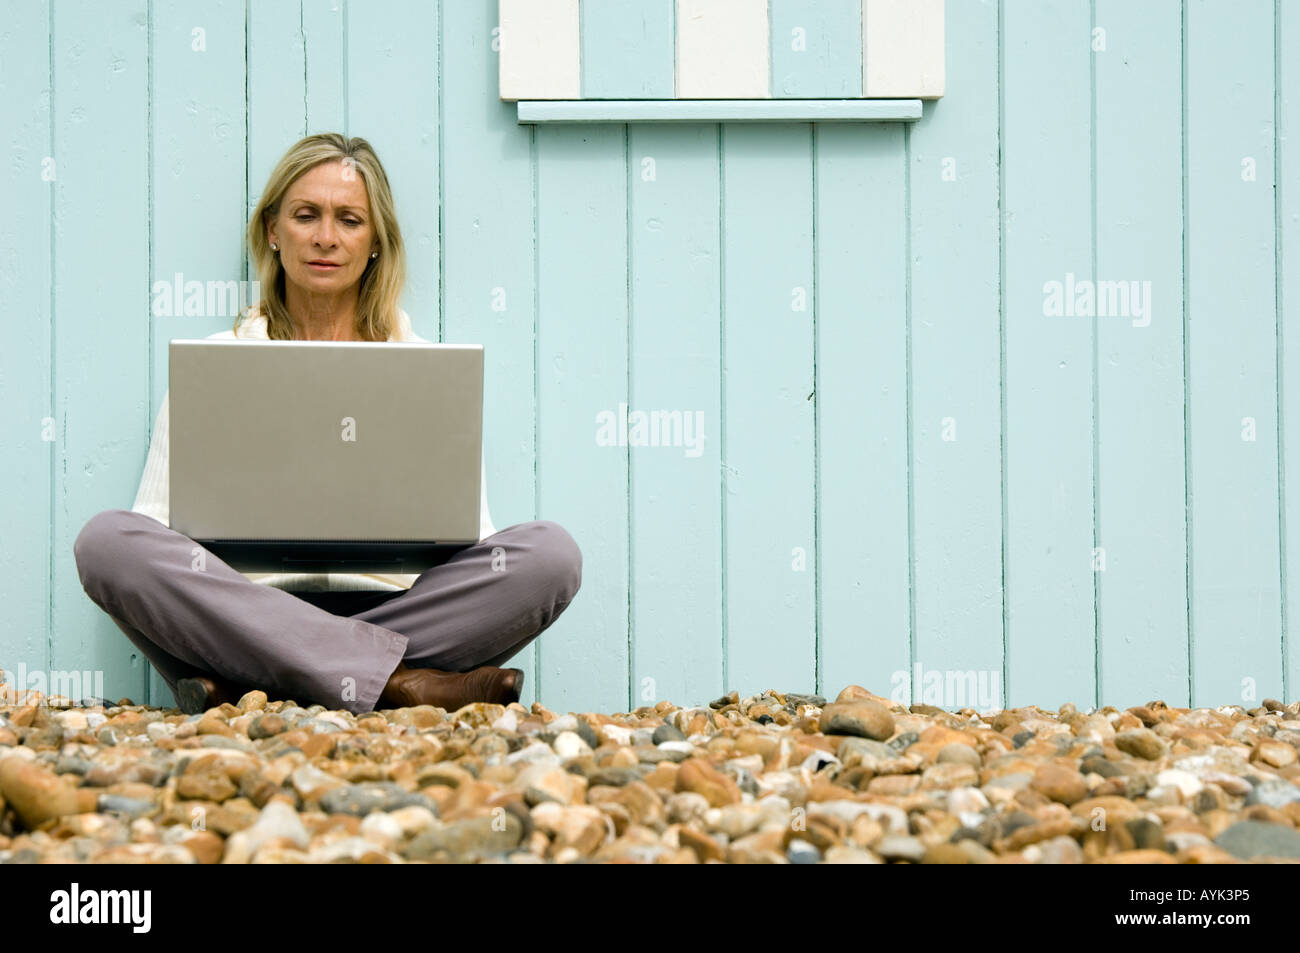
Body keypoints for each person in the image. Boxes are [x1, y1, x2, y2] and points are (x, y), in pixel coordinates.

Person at [73, 133, 582, 716]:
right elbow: (150, 529)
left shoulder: (423, 368)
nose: (325, 237)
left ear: (375, 242)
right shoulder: (216, 362)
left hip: (397, 610)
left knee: (551, 555)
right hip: (241, 611)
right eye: (305, 215)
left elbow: (470, 541)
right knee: (108, 544)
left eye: (349, 219)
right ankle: (399, 686)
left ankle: (259, 689)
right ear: (272, 229)